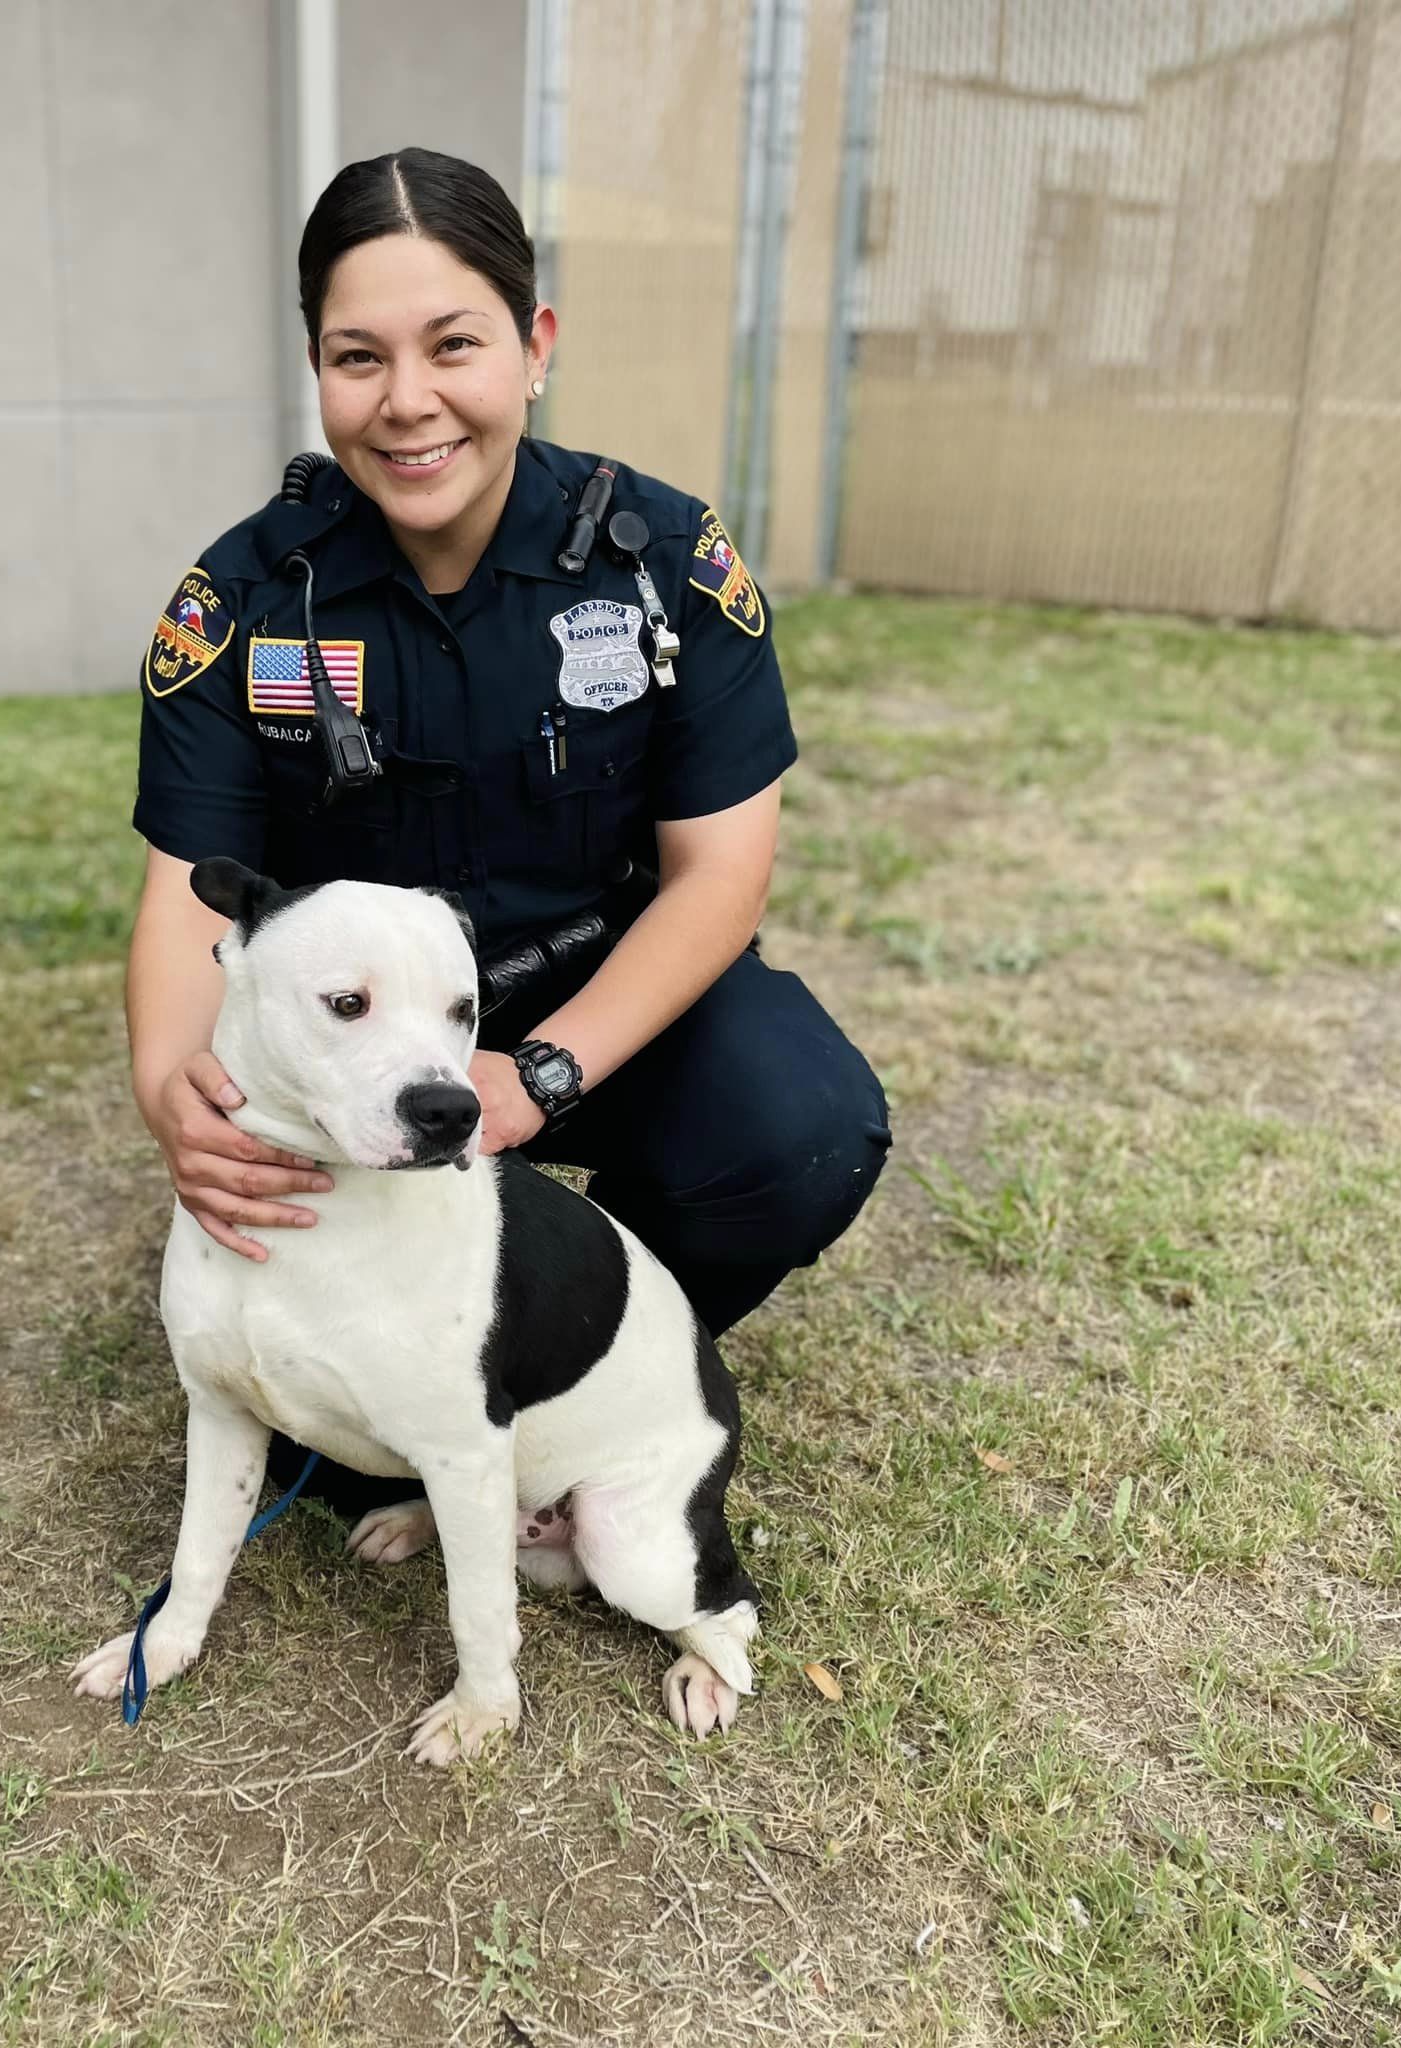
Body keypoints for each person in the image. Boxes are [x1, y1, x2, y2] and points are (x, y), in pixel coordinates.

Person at [127, 148, 891, 1521]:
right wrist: (168, 1085)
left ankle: (567, 1375)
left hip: (599, 1001)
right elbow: (193, 888)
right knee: (315, 1399)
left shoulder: (661, 564)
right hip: (368, 1031)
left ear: (533, 346)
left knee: (799, 1133)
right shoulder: (246, 601)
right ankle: (376, 1398)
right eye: (358, 357)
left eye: (453, 345)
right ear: (316, 369)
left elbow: (719, 872)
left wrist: (541, 1071)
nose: (406, 401)